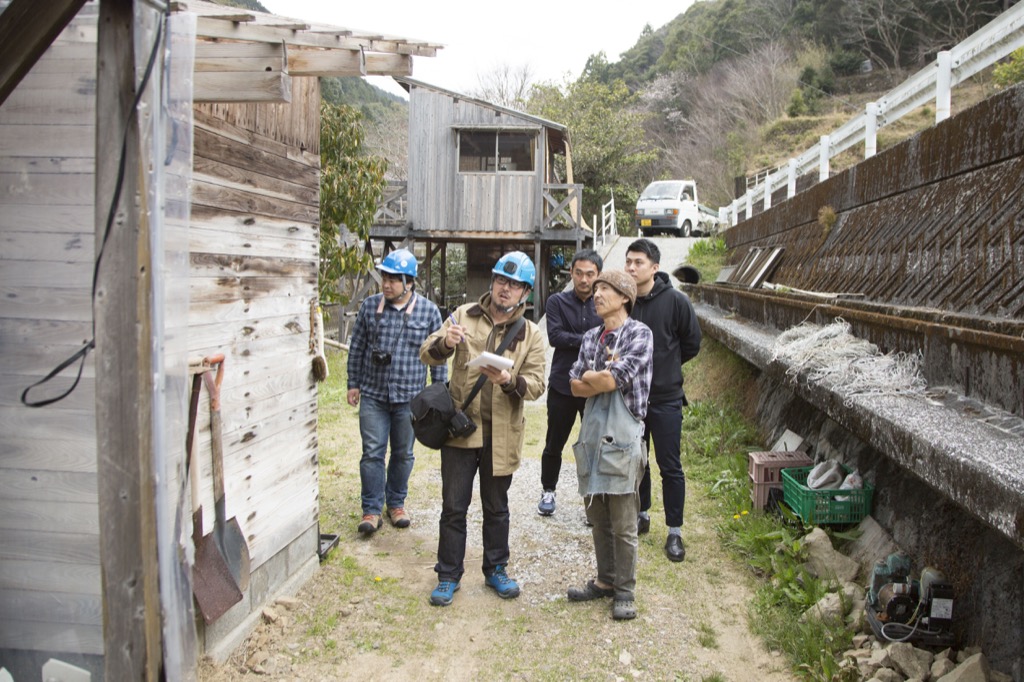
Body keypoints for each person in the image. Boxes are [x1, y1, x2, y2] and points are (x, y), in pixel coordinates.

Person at [419, 251, 547, 606]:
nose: (505, 289)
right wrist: (445, 343)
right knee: (453, 506)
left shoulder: (531, 334)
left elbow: (537, 384)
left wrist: (509, 381)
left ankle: (496, 569)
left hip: (502, 434)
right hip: (461, 430)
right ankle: (448, 575)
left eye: (515, 284)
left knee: (497, 508)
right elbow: (427, 352)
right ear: (491, 282)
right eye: (501, 281)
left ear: (525, 293)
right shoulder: (462, 315)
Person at [566, 270, 653, 620]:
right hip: (592, 433)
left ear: (624, 297)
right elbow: (574, 385)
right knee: (597, 515)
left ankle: (626, 591)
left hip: (624, 434)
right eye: (597, 288)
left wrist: (595, 378)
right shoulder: (590, 336)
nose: (596, 293)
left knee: (623, 520)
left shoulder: (639, 334)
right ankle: (605, 580)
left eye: (605, 288)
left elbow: (612, 378)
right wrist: (595, 379)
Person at [347, 249, 446, 535]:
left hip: (411, 398)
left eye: (393, 279)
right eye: (385, 278)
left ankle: (396, 503)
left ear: (409, 282)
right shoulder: (369, 307)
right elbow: (357, 348)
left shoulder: (428, 311)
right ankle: (371, 509)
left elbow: (438, 355)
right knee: (372, 453)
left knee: (403, 454)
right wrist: (353, 383)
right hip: (374, 395)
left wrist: (438, 395)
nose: (386, 284)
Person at [624, 238, 702, 562]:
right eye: (628, 261)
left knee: (670, 466)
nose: (631, 267)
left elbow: (691, 343)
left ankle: (674, 532)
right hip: (631, 399)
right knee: (635, 462)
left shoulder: (676, 302)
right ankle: (641, 514)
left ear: (654, 267)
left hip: (667, 399)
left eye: (638, 262)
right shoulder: (623, 301)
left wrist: (666, 366)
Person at [537, 249, 603, 516]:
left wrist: (576, 337)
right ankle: (548, 491)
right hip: (563, 384)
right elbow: (555, 336)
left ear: (598, 275)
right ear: (571, 273)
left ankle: (592, 499)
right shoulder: (557, 302)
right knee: (555, 442)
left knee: (594, 444)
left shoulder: (605, 302)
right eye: (579, 273)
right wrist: (592, 339)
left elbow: (612, 335)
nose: (584, 279)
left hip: (595, 386)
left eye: (590, 274)